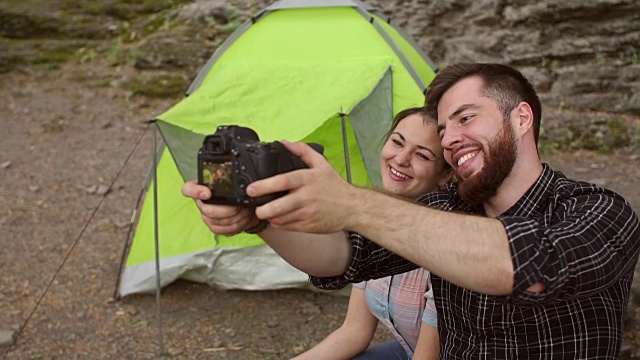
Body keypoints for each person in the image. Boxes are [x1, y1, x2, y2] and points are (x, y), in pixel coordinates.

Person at [182, 63, 640, 359]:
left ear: (521, 119)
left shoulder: (600, 211)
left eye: (466, 118)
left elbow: (523, 264)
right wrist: (262, 217)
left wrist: (355, 202)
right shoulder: (447, 206)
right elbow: (344, 255)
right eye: (444, 129)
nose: (450, 138)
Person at [293, 107, 451, 360]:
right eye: (397, 142)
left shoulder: (443, 245)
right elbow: (354, 332)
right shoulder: (372, 222)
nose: (401, 159)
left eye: (421, 155)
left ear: (445, 175)